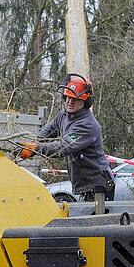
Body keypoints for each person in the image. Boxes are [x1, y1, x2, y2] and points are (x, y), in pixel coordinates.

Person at [20, 74, 115, 207]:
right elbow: (47, 132)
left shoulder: (87, 125)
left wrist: (36, 148)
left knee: (94, 226)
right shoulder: (63, 115)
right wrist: (33, 143)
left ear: (85, 101)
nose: (70, 102)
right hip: (84, 185)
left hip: (98, 186)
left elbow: (64, 146)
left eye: (75, 99)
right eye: (68, 98)